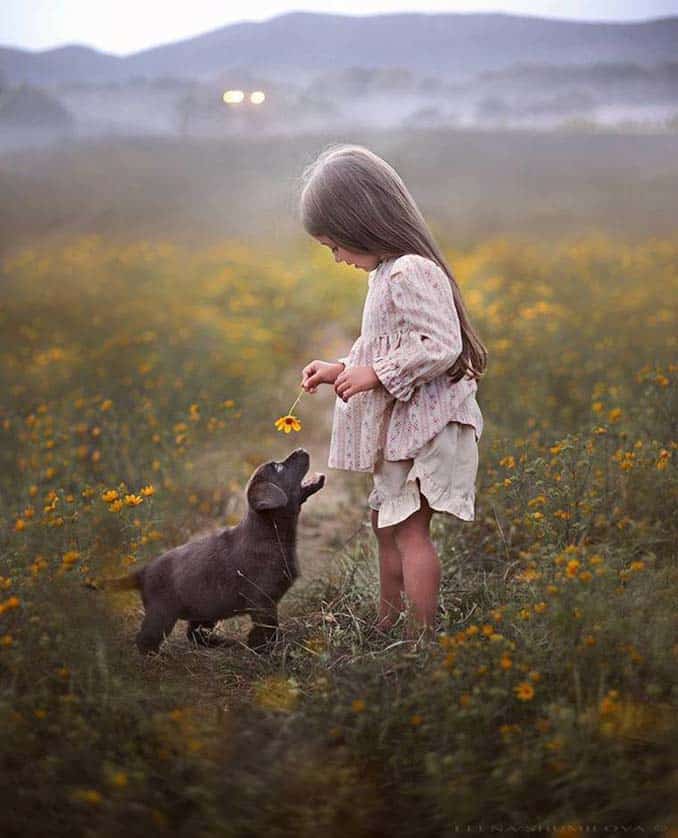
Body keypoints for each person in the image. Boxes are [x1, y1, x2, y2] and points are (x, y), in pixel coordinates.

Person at [298, 143, 487, 640]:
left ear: (364, 222)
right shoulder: (385, 274)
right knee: (386, 526)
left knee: (410, 531)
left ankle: (419, 641)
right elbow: (388, 343)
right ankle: (388, 623)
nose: (337, 257)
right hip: (404, 425)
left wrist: (376, 374)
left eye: (335, 245)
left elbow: (440, 344)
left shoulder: (411, 271)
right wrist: (342, 366)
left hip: (428, 426)